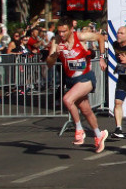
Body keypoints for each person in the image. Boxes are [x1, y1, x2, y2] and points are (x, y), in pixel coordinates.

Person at [45, 18, 108, 153]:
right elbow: (49, 63)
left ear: (71, 29)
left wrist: (102, 57)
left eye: (64, 31)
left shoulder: (80, 36)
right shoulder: (56, 41)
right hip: (71, 79)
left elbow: (100, 37)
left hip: (86, 77)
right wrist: (55, 54)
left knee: (67, 99)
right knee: (86, 111)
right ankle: (99, 135)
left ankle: (79, 129)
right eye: (59, 31)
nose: (61, 34)